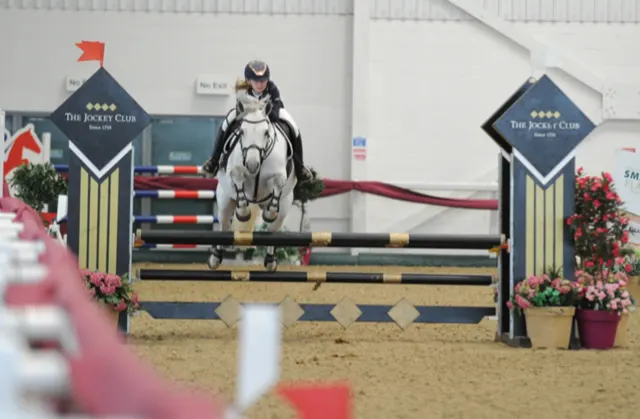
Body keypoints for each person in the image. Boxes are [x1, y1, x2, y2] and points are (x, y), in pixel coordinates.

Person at [203, 60, 311, 181]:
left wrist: (267, 114)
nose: (260, 84)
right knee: (227, 121)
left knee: (293, 126)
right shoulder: (242, 90)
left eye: (263, 81)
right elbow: (240, 110)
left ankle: (299, 166)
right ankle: (214, 160)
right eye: (256, 81)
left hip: (269, 113)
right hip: (249, 116)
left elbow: (276, 108)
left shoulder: (272, 88)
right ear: (248, 81)